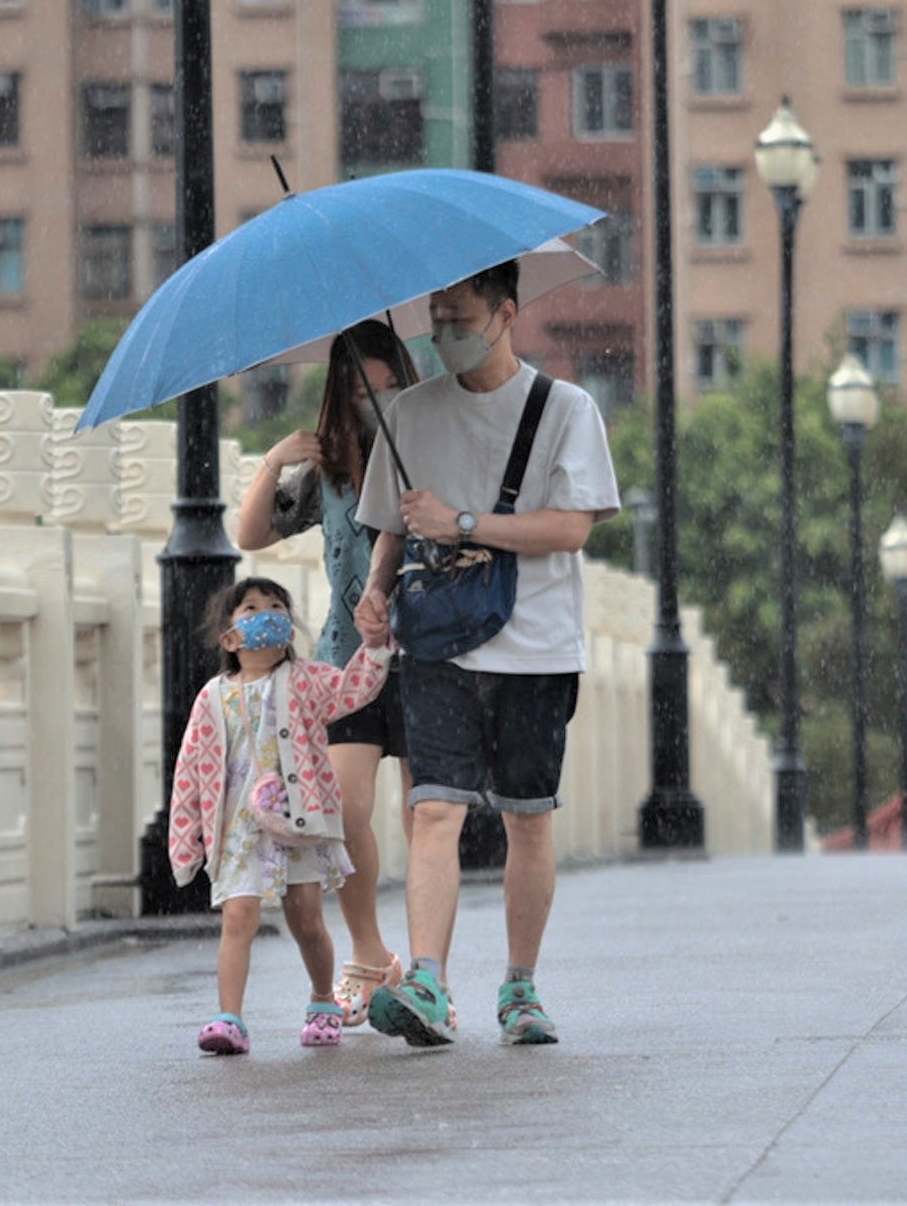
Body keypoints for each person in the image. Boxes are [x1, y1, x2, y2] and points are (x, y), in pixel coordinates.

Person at [356, 258, 619, 1048]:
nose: (445, 334)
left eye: (461, 319)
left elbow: (571, 529)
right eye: (437, 319)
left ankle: (520, 986)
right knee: (432, 808)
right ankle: (429, 981)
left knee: (526, 822)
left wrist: (464, 523)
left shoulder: (566, 410)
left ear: (506, 313)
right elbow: (393, 527)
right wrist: (375, 592)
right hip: (438, 644)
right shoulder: (409, 412)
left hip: (537, 648)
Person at [233, 319, 421, 1027]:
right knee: (341, 812)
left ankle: (429, 970)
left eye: (384, 383)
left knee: (426, 811)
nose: (372, 398)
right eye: (357, 387)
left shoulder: (426, 452)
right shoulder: (332, 472)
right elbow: (250, 534)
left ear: (402, 379)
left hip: (429, 652)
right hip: (347, 663)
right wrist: (271, 463)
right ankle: (370, 957)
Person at [167, 576, 393, 1054]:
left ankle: (321, 1000)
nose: (267, 613)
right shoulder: (212, 698)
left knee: (307, 920)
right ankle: (229, 1018)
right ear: (230, 638)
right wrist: (186, 839)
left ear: (289, 631)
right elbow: (190, 770)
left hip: (297, 823)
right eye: (251, 608)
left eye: (277, 606)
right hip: (237, 829)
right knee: (238, 916)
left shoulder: (308, 681)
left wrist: (374, 647)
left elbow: (354, 689)